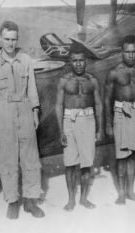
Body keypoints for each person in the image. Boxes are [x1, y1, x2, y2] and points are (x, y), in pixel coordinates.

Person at [0, 20, 45, 219]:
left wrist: (34, 112)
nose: (10, 43)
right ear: (0, 38)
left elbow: (32, 87)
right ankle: (12, 201)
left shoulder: (25, 60)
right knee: (8, 160)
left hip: (25, 108)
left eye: (13, 39)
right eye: (6, 39)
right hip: (3, 111)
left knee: (30, 158)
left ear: (17, 39)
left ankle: (31, 200)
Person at [55, 43, 103, 211]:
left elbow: (98, 104)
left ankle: (83, 198)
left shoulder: (92, 81)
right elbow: (58, 106)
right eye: (75, 61)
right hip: (69, 121)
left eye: (81, 60)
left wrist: (100, 128)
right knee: (69, 163)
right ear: (70, 62)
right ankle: (70, 200)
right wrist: (61, 130)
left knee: (86, 163)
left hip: (88, 120)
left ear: (86, 61)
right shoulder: (64, 81)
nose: (78, 64)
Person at [105, 35, 135, 205]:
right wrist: (108, 124)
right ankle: (122, 193)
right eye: (127, 52)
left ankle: (131, 191)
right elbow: (106, 100)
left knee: (133, 156)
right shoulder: (114, 73)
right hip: (120, 114)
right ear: (121, 52)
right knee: (122, 156)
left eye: (133, 52)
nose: (130, 55)